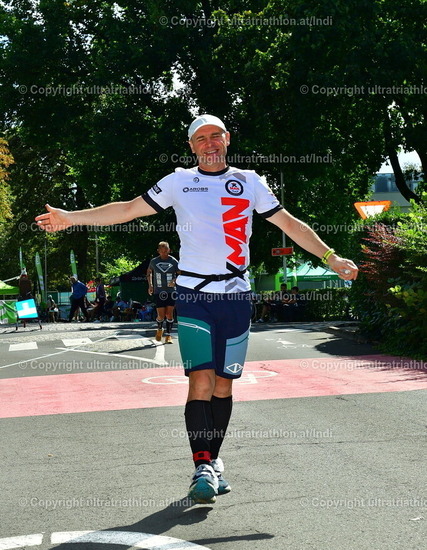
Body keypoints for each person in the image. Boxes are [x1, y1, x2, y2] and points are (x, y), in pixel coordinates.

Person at [35, 113, 358, 504]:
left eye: (215, 135)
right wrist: (71, 218)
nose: (209, 143)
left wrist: (330, 257)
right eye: (201, 138)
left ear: (227, 139)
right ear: (191, 146)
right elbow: (127, 209)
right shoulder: (178, 182)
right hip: (193, 294)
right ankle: (201, 465)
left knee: (224, 384)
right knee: (200, 380)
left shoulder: (250, 181)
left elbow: (290, 224)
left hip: (236, 296)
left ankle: (213, 461)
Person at [147, 241, 179, 344]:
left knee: (169, 314)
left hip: (171, 291)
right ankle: (160, 328)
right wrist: (150, 285)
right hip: (159, 291)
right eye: (162, 251)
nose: (164, 253)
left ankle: (168, 335)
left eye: (166, 251)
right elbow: (149, 272)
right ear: (158, 251)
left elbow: (180, 273)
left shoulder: (173, 261)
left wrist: (175, 280)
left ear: (169, 250)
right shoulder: (154, 261)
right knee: (161, 315)